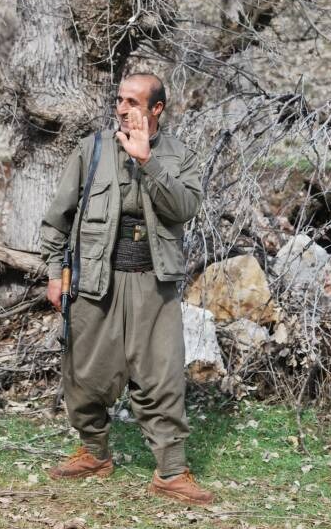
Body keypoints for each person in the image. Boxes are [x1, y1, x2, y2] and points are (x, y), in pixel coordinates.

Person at [40, 73, 214, 505]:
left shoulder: (178, 155)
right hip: (96, 280)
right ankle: (94, 454)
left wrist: (146, 161)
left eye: (133, 101)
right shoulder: (93, 149)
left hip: (153, 284)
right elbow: (59, 217)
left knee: (161, 376)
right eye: (119, 99)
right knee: (86, 372)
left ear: (157, 109)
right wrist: (54, 273)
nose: (122, 108)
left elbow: (185, 208)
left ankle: (171, 471)